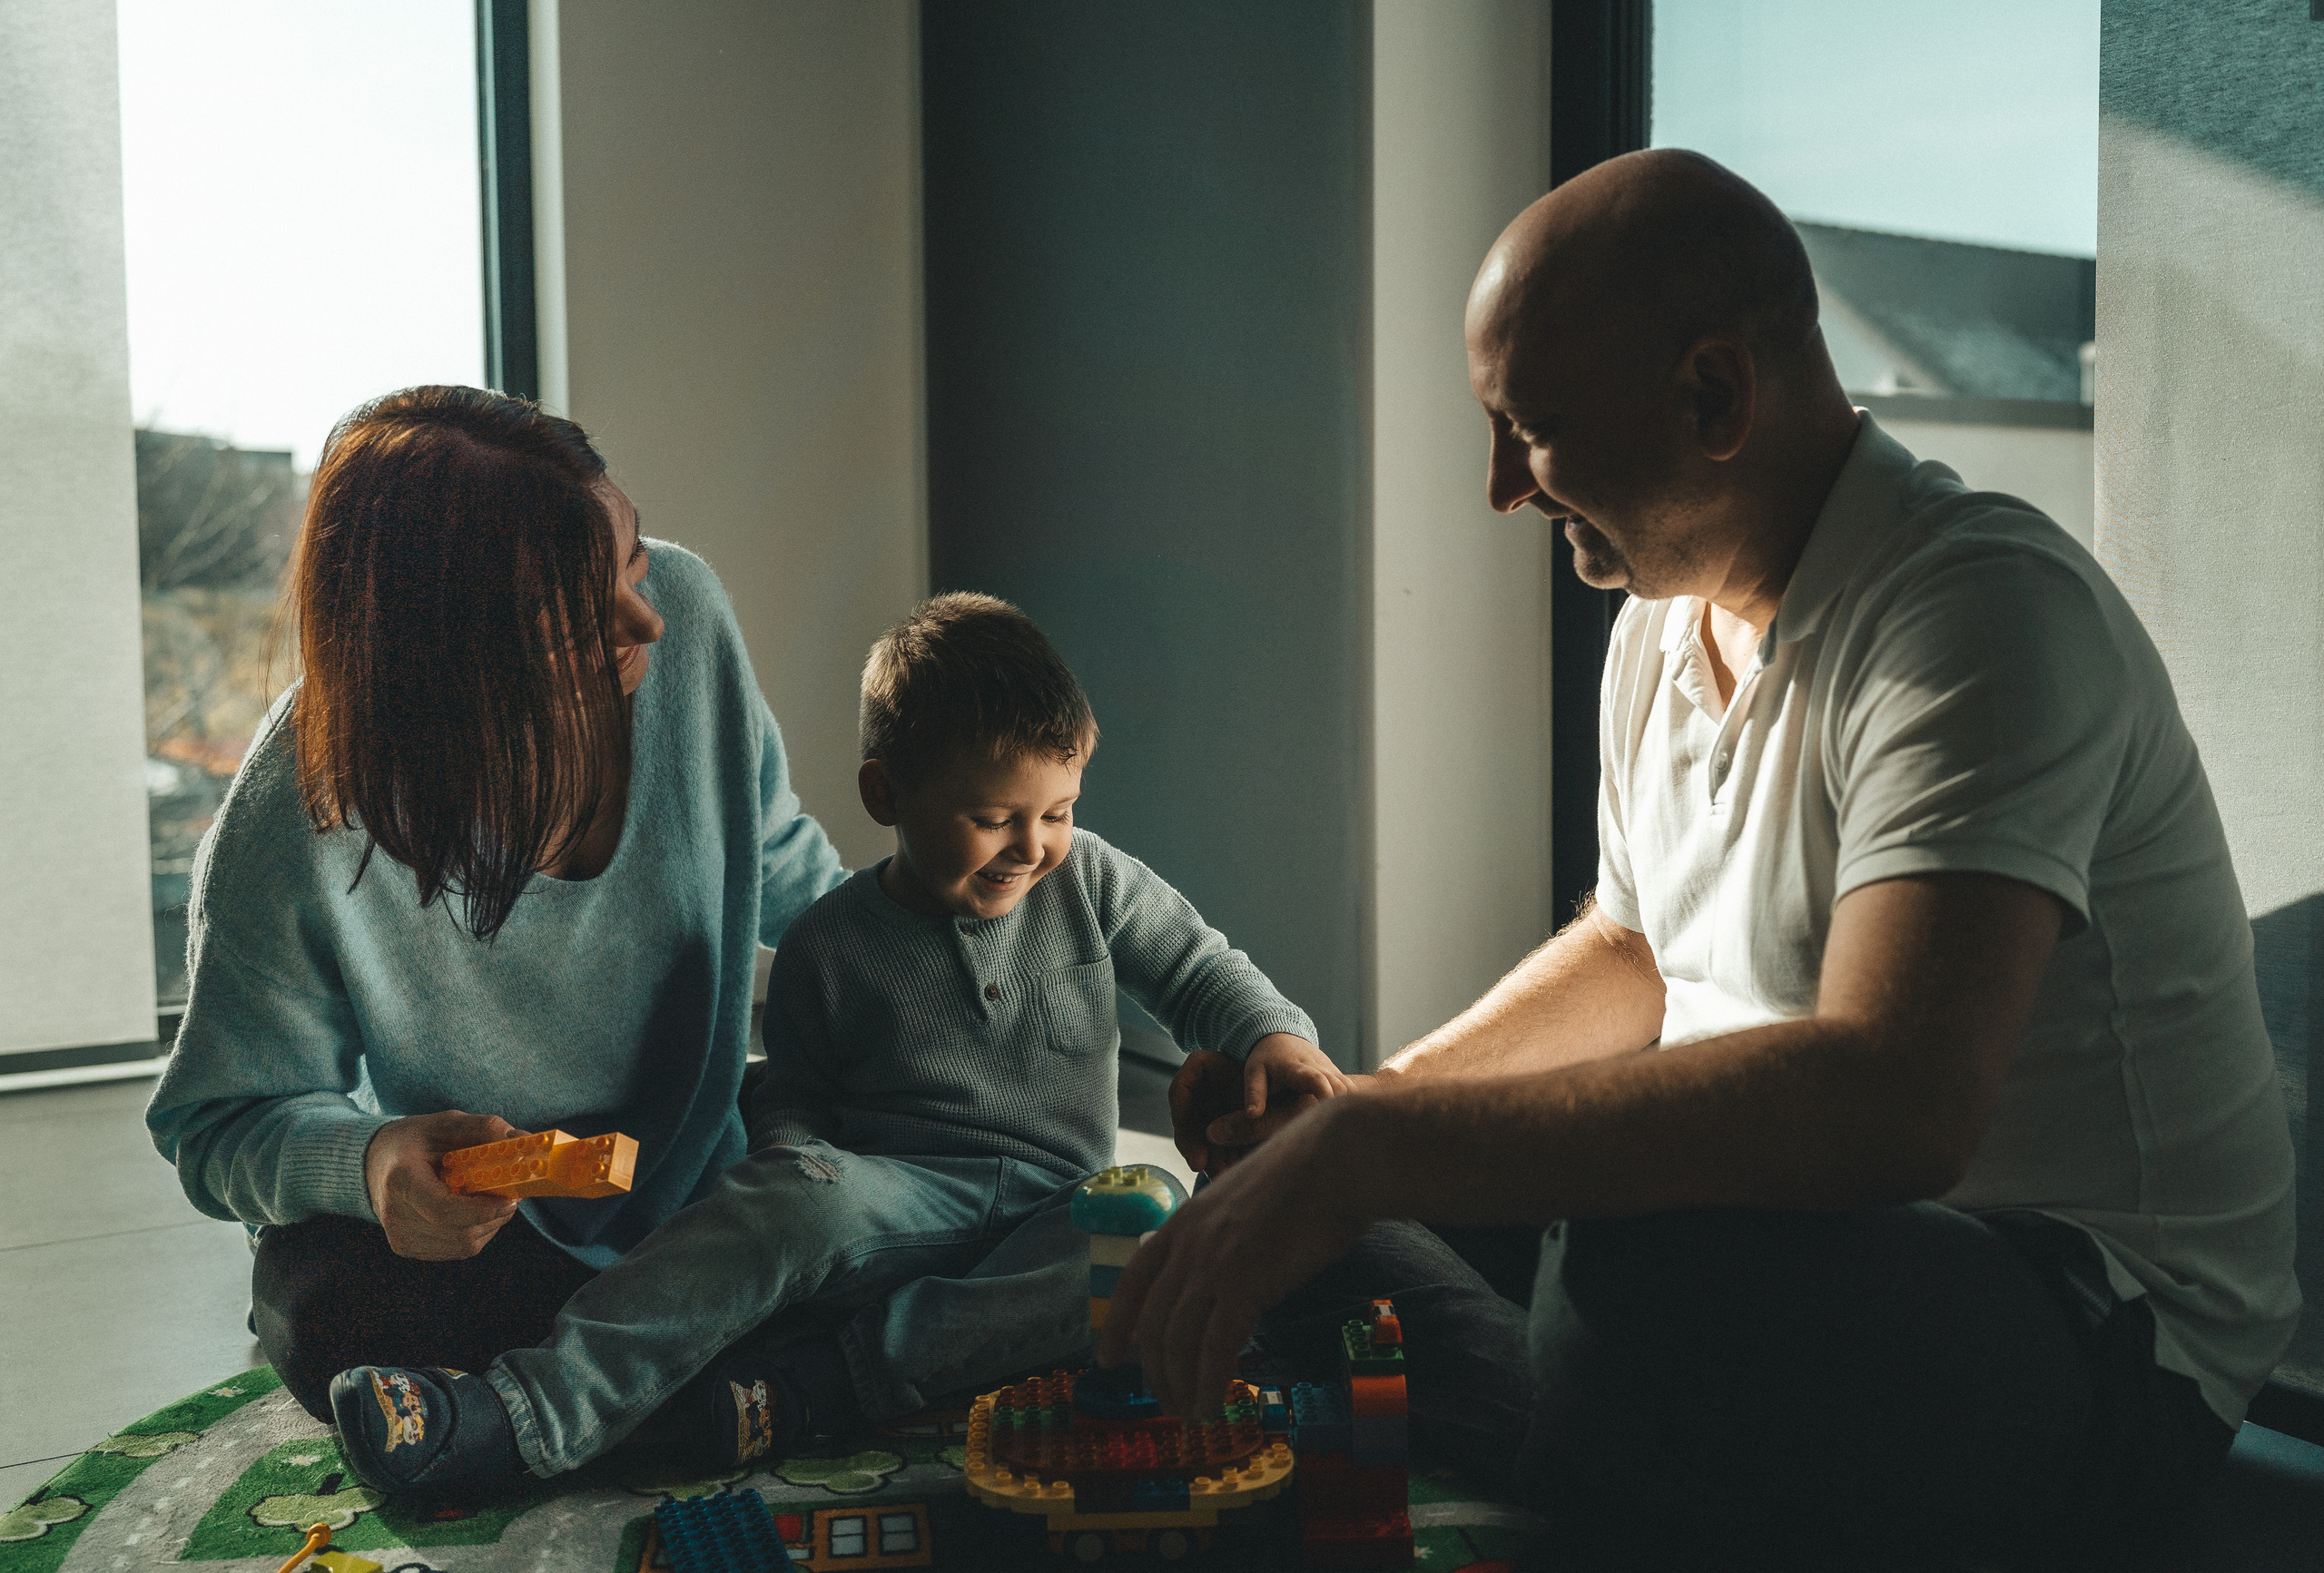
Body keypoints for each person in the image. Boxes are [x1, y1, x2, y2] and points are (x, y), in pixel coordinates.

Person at [1110, 151, 2299, 1569]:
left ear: (1714, 397)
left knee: (1629, 1256)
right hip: (1795, 1254)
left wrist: (1380, 1154)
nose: (1501, 489)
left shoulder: (1980, 612)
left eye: (1533, 429)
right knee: (1297, 1205)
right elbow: (1635, 947)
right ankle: (1561, 1415)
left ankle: (1549, 1415)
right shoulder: (1660, 625)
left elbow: (1897, 1103)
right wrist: (1365, 1111)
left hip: (2092, 1334)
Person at [325, 591, 1349, 1494]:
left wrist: (1275, 1035)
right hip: (894, 1198)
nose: (1031, 846)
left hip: (1053, 1207)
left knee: (1149, 1225)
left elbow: (1200, 966)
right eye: (994, 818)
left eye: (1058, 811)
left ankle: (816, 1384)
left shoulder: (1094, 882)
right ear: (885, 795)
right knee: (789, 1197)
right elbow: (796, 1101)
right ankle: (524, 1413)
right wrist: (797, 1168)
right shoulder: (831, 940)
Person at [144, 386, 861, 1440]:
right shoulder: (296, 812)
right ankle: (718, 1365)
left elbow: (802, 882)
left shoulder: (689, 623)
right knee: (329, 1309)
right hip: (487, 1237)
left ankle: (602, 1389)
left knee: (918, 1157)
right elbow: (214, 1123)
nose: (643, 620)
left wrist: (969, 990)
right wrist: (377, 1159)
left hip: (709, 1170)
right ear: (438, 650)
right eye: (576, 613)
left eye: (628, 565)